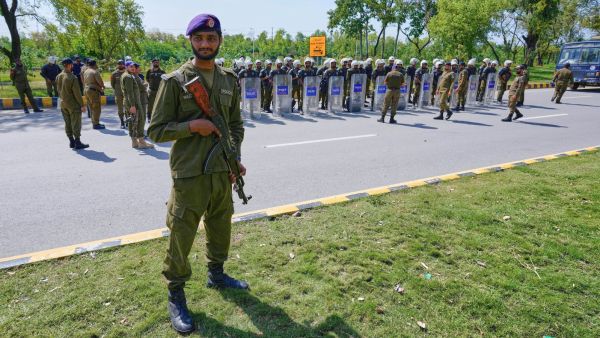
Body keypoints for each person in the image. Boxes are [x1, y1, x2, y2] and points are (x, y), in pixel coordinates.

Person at [147, 14, 246, 334]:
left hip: (221, 171)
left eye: (212, 38)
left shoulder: (230, 79)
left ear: (219, 41)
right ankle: (175, 292)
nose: (206, 44)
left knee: (221, 225)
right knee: (181, 234)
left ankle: (216, 273)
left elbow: (235, 125)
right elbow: (156, 131)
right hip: (189, 174)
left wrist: (235, 159)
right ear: (190, 40)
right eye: (200, 38)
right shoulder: (175, 82)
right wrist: (192, 126)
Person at [56, 58, 89, 150]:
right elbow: (77, 93)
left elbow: (58, 90)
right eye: (72, 64)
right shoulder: (72, 77)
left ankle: (71, 141)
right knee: (76, 123)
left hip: (62, 103)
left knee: (67, 123)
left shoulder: (59, 76)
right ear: (70, 65)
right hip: (72, 104)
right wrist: (82, 105)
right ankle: (77, 142)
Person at [121, 61, 153, 149]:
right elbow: (130, 92)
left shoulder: (129, 75)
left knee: (134, 121)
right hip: (133, 102)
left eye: (133, 66)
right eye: (130, 66)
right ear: (126, 67)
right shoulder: (128, 77)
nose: (132, 68)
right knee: (139, 120)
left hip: (134, 102)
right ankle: (140, 142)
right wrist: (132, 105)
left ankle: (136, 142)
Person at [83, 59, 105, 129]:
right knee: (96, 108)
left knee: (91, 107)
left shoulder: (86, 71)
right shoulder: (94, 72)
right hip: (93, 91)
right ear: (94, 64)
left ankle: (94, 122)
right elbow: (100, 81)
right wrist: (103, 87)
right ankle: (96, 124)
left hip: (86, 90)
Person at [134, 63, 153, 141]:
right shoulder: (135, 77)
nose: (140, 69)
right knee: (141, 118)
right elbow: (142, 86)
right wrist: (145, 84)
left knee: (141, 117)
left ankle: (139, 133)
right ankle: (140, 134)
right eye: (139, 68)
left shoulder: (138, 76)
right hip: (141, 99)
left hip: (142, 98)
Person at [111, 60, 127, 128]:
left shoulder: (127, 73)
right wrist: (117, 90)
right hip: (118, 93)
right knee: (120, 108)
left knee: (127, 107)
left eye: (122, 64)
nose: (120, 65)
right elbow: (112, 84)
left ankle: (128, 121)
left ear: (124, 65)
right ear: (117, 65)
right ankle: (122, 122)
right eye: (119, 64)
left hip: (126, 93)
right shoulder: (114, 74)